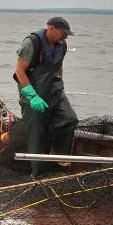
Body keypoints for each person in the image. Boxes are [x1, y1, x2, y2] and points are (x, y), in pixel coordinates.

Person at [14, 17, 78, 179]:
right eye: (63, 33)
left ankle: (58, 157)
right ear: (51, 28)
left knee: (70, 119)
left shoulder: (62, 45)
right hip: (33, 92)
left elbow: (58, 67)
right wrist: (31, 95)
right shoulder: (32, 42)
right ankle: (38, 174)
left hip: (55, 91)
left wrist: (60, 86)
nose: (65, 37)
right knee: (37, 132)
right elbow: (20, 71)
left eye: (67, 35)